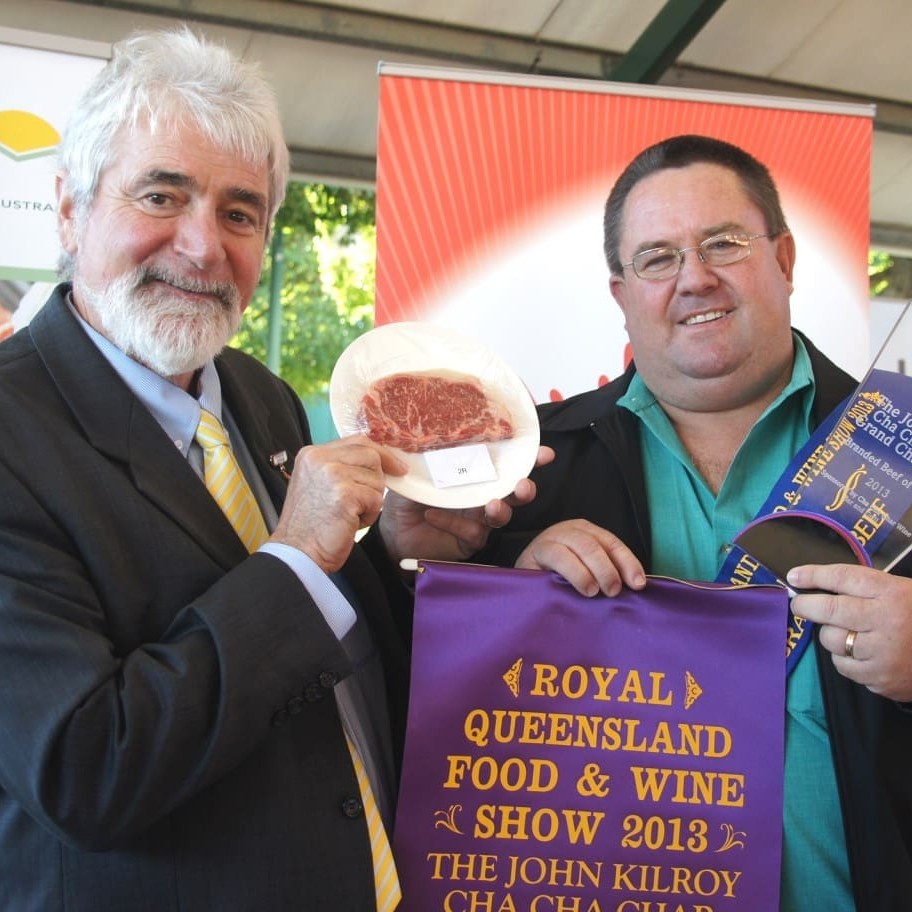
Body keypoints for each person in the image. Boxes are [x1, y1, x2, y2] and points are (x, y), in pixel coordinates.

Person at [0, 26, 538, 911]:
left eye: (240, 212)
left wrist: (398, 547)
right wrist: (293, 558)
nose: (204, 246)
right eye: (162, 195)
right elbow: (83, 769)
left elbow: (327, 648)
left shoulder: (260, 395)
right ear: (69, 209)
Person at [457, 135, 912, 911]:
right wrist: (510, 602)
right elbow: (428, 703)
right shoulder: (523, 468)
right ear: (620, 293)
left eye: (723, 244)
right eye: (657, 258)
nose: (694, 278)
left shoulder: (897, 443)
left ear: (785, 259)